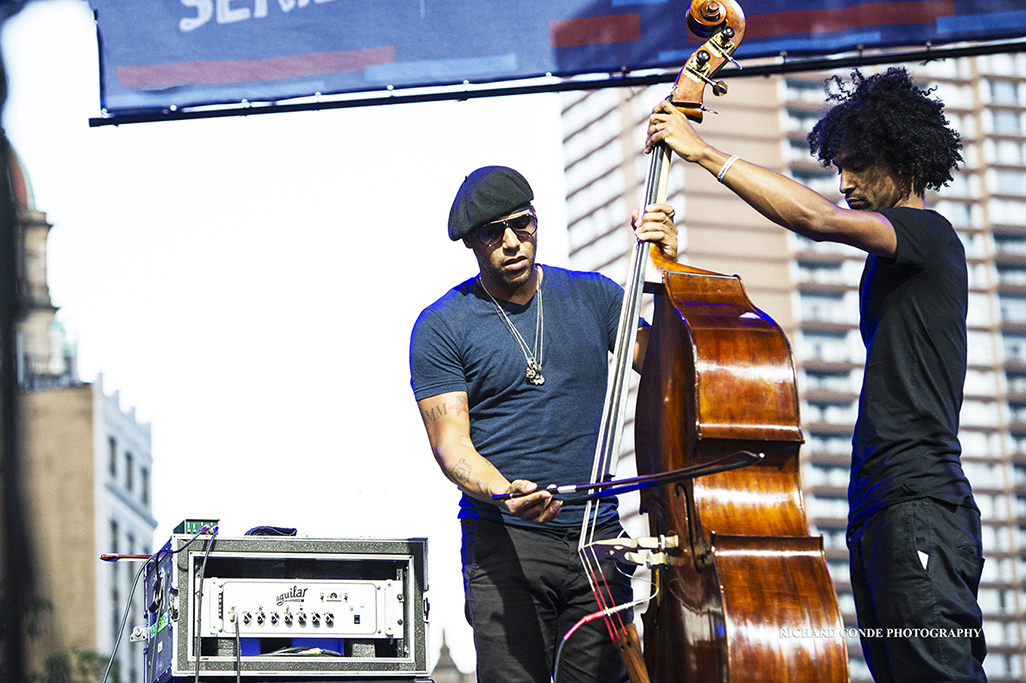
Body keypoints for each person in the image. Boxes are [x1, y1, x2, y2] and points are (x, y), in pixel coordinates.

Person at [646, 66, 986, 682]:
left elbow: (817, 220)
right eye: (840, 167)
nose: (846, 182)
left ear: (903, 161)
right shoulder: (895, 260)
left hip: (919, 503)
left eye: (859, 165)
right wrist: (674, 263)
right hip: (881, 509)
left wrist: (702, 152)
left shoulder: (927, 235)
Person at [409, 165, 677, 683]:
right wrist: (506, 491)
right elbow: (452, 448)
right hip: (505, 542)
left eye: (522, 225)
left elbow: (674, 367)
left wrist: (666, 271)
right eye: (494, 233)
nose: (512, 242)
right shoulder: (442, 325)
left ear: (536, 220)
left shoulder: (595, 297)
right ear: (471, 242)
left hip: (597, 539)